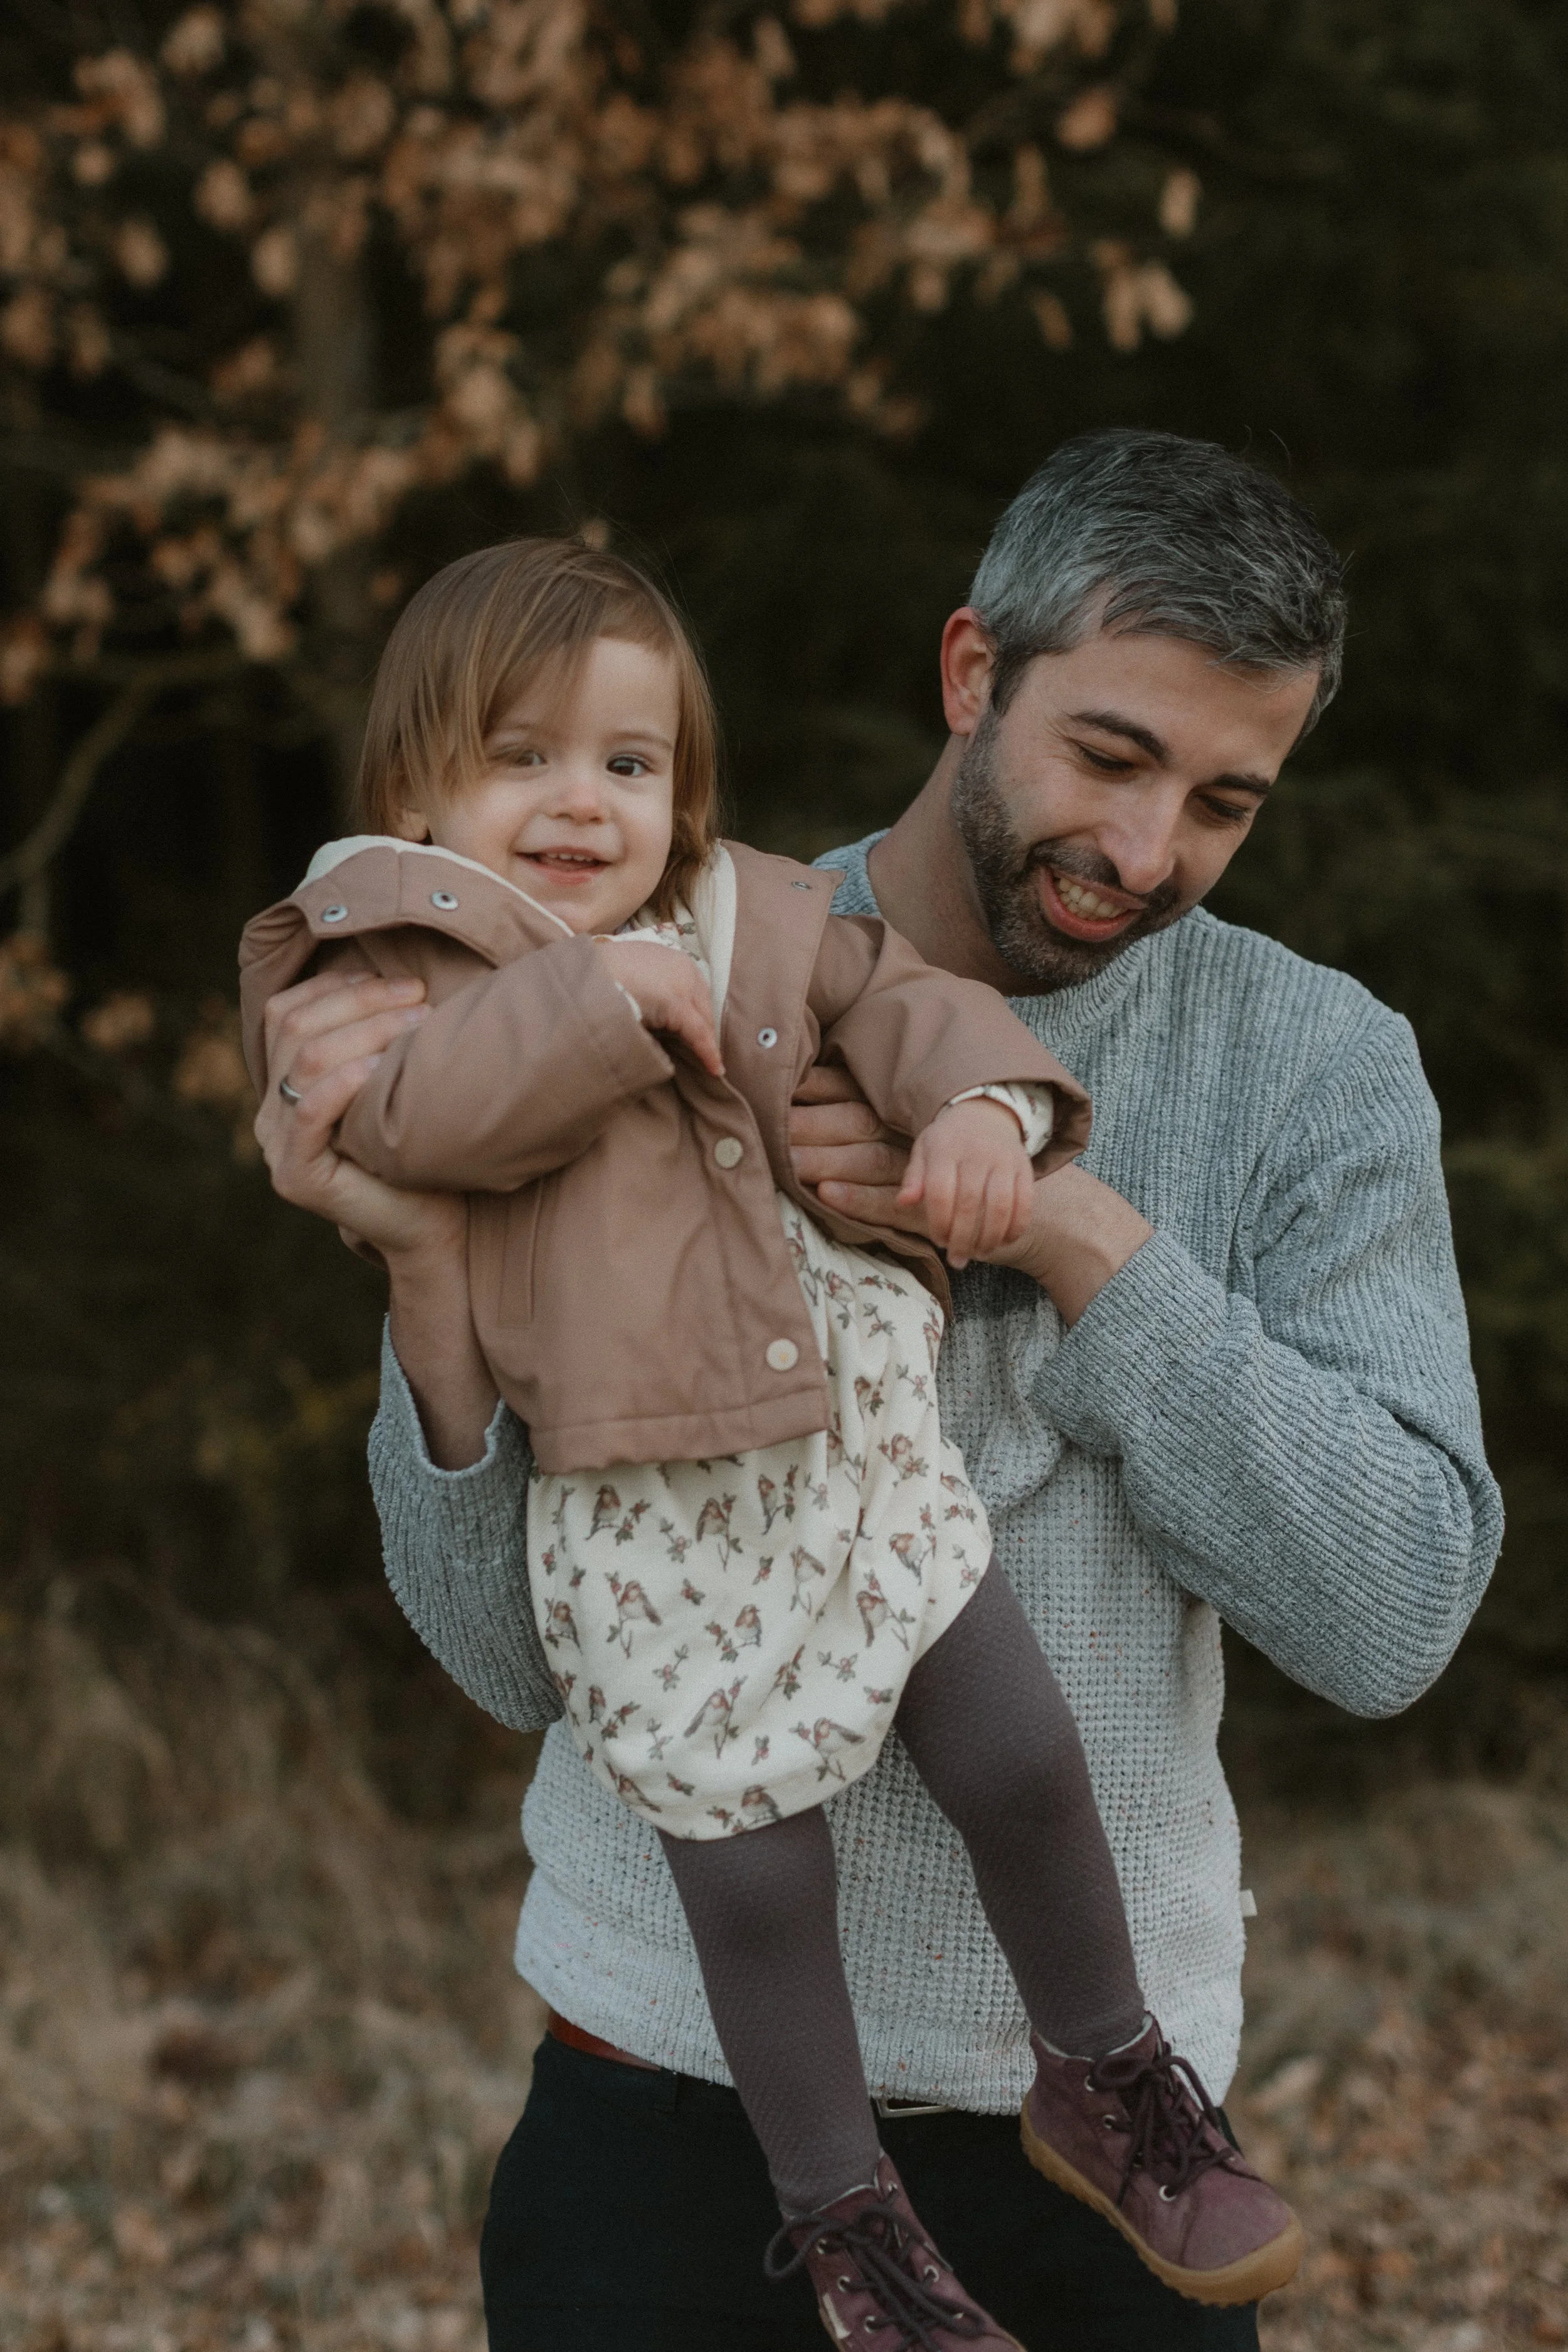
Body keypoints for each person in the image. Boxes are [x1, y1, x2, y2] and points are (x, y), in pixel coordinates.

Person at [255, 432, 1503, 2352]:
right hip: (668, 2123)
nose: (1148, 850)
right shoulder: (635, 967)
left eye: (1225, 801)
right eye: (1106, 756)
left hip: (1105, 2164)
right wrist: (420, 1263)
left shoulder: (1314, 1063)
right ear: (965, 675)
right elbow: (511, 1657)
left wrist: (1071, 1235)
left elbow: (1396, 1606)